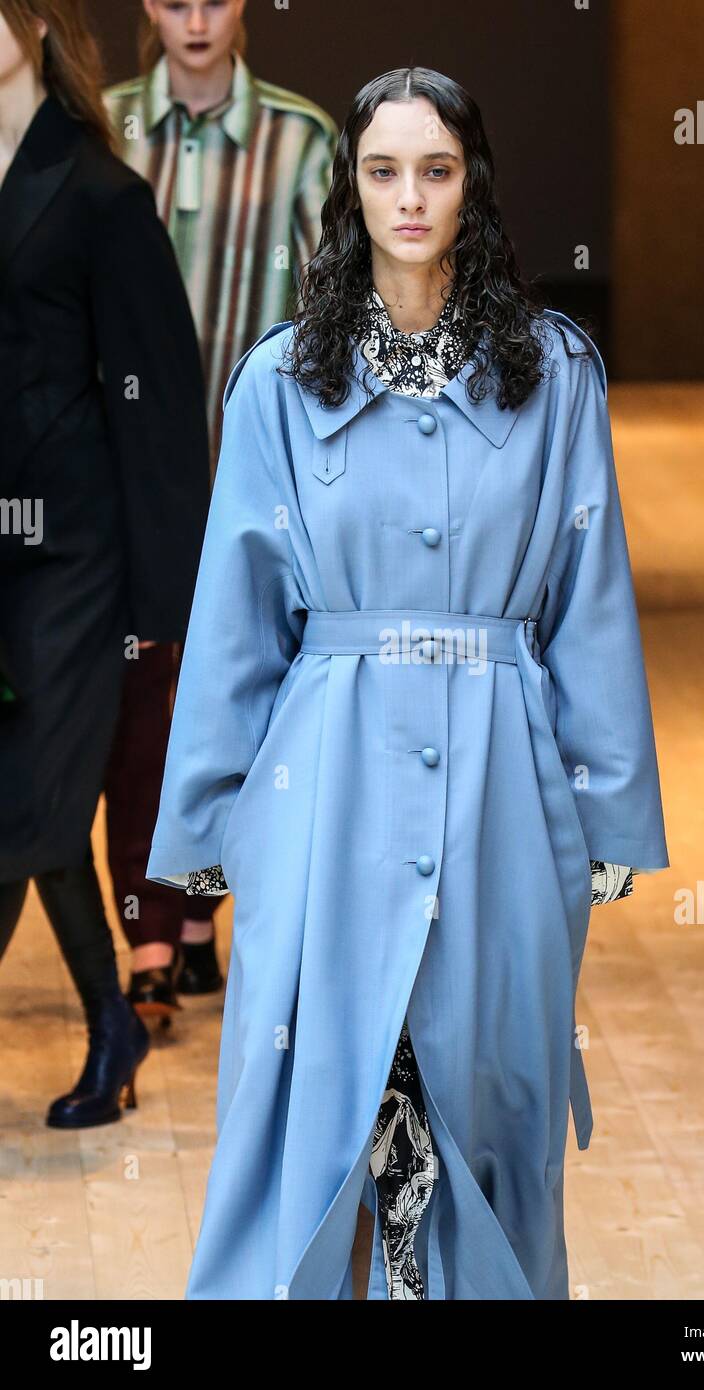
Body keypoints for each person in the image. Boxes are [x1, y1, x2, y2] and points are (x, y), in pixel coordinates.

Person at [146, 67, 670, 1300]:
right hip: (323, 783)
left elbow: (587, 599)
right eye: (382, 170)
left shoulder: (553, 375)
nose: (409, 197)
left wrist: (603, 806)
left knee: (484, 1099)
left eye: (435, 169)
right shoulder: (282, 381)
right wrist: (215, 813)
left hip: (502, 784)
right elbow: (236, 613)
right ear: (351, 191)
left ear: (471, 186)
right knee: (321, 1091)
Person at [101, 0, 339, 1020]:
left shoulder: (304, 136)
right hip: (122, 466)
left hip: (256, 470)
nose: (194, 19)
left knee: (251, 694)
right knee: (139, 694)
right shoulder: (100, 126)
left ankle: (201, 910)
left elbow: (336, 306)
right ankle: (152, 934)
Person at [0, 0, 211, 1126]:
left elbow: (161, 405)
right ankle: (114, 1021)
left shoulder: (98, 195)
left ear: (32, 28)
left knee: (33, 800)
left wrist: (167, 600)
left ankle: (114, 1022)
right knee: (25, 805)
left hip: (72, 552)